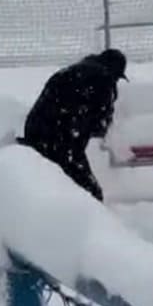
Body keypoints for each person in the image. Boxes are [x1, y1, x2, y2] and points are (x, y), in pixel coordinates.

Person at [18, 48, 128, 201]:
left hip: (35, 131)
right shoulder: (103, 79)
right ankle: (89, 220)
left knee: (58, 185)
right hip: (60, 139)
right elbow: (100, 122)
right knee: (91, 193)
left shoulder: (72, 71)